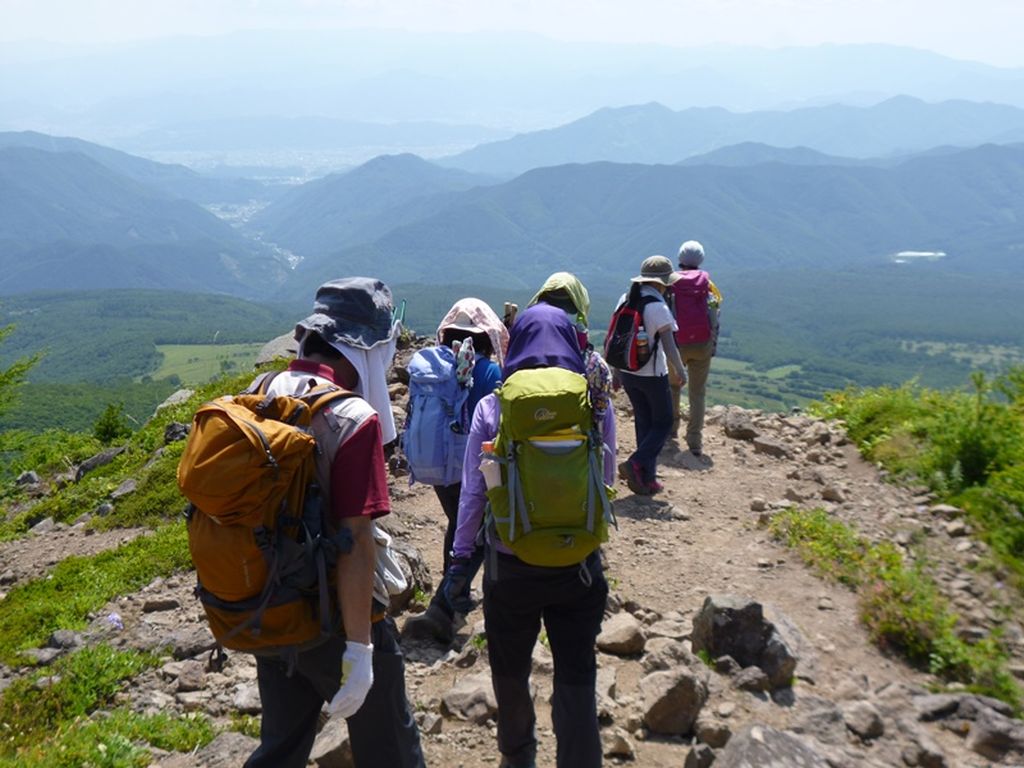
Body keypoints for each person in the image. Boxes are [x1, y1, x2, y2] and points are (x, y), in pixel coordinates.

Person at [244, 277, 424, 768]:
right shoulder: (350, 416)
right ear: (366, 347)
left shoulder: (257, 393)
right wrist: (361, 650)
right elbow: (356, 542)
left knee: (282, 743)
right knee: (391, 749)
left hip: (270, 605)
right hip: (333, 619)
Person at [448, 302, 617, 768]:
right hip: (578, 563)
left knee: (510, 668)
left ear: (514, 342)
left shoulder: (493, 406)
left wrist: (461, 559)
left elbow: (473, 494)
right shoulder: (593, 403)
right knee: (577, 669)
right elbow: (606, 478)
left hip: (511, 562)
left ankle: (518, 755)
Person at [403, 297, 508, 644]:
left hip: (436, 465)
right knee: (477, 535)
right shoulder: (489, 372)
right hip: (471, 467)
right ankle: (444, 607)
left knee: (458, 524)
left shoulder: (434, 368)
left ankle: (455, 598)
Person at [613, 255, 688, 495]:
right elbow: (669, 345)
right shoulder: (658, 307)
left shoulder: (625, 299)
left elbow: (617, 338)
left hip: (628, 373)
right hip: (653, 375)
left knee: (644, 423)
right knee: (664, 422)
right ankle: (636, 463)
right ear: (660, 284)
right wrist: (680, 369)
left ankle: (646, 479)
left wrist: (616, 372)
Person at [670, 240, 723, 456]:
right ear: (700, 259)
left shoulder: (671, 282)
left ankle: (671, 430)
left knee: (673, 388)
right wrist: (712, 345)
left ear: (680, 259)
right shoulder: (708, 284)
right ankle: (694, 441)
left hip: (676, 344)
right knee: (697, 393)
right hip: (702, 343)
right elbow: (715, 315)